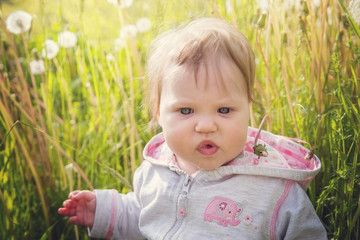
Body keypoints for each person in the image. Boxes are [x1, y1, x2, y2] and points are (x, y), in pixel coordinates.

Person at [58, 17, 327, 239]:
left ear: (248, 107)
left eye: (224, 110)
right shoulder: (155, 171)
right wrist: (103, 211)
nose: (207, 125)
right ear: (158, 111)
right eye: (186, 111)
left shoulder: (274, 191)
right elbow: (143, 215)